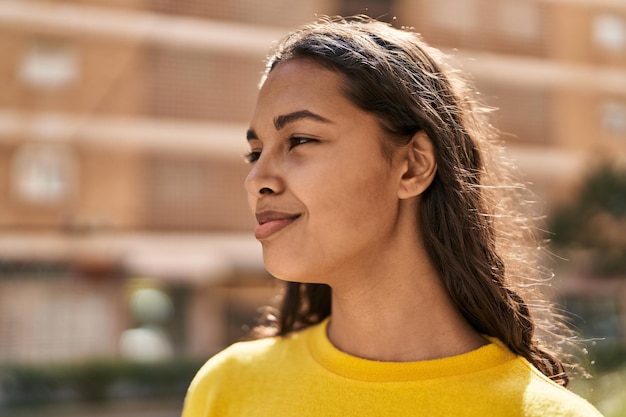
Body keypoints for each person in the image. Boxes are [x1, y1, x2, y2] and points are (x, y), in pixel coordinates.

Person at [182, 16, 603, 417]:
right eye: (255, 153)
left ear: (413, 166)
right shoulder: (228, 388)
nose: (257, 179)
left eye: (300, 139)